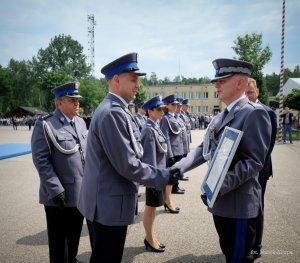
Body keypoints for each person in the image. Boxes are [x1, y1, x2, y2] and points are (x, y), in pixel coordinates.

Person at [77, 53, 181, 263]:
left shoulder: (116, 109)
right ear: (116, 80)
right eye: (133, 79)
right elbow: (128, 165)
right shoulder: (113, 113)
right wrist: (164, 176)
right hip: (108, 205)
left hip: (106, 202)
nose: (137, 85)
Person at [173, 58, 272, 263]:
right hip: (221, 203)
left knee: (238, 258)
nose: (216, 85)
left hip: (239, 205)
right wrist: (175, 169)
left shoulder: (254, 114)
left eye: (222, 80)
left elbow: (254, 162)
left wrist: (218, 186)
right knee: (229, 253)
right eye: (216, 81)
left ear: (240, 82)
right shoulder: (220, 116)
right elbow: (203, 150)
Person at [31, 81, 88, 263]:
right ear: (59, 103)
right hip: (59, 196)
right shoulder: (46, 124)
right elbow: (41, 160)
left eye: (77, 99)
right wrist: (55, 189)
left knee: (74, 235)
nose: (76, 103)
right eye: (72, 100)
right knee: (58, 242)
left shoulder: (80, 122)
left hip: (80, 192)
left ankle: (72, 258)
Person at [246, 78, 277, 259]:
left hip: (260, 169)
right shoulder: (242, 111)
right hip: (244, 170)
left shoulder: (267, 112)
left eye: (251, 93)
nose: (248, 96)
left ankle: (256, 247)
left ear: (257, 91)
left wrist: (256, 166)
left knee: (257, 208)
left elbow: (269, 145)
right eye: (246, 93)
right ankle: (246, 243)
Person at [141, 96, 168, 253]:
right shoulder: (148, 130)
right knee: (150, 209)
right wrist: (154, 180)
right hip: (154, 177)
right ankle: (150, 239)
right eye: (158, 109)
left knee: (153, 209)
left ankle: (151, 236)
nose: (162, 112)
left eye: (162, 109)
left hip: (160, 176)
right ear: (150, 111)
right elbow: (150, 160)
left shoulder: (155, 126)